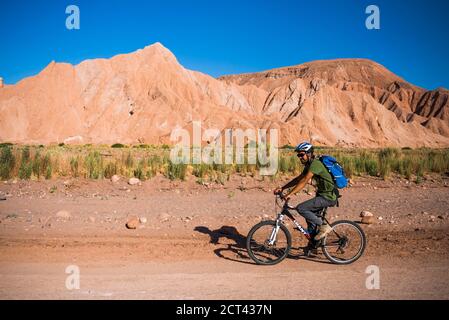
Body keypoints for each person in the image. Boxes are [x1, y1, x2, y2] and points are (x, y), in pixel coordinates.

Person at [274, 142, 338, 241]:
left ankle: (324, 226)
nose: (299, 157)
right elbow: (298, 179)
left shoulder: (315, 164)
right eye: (298, 155)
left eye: (301, 154)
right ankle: (313, 245)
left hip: (328, 197)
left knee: (301, 208)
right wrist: (283, 188)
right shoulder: (309, 165)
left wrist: (289, 194)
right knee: (310, 221)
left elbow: (304, 181)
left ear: (308, 153)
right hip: (321, 195)